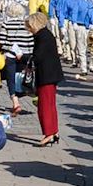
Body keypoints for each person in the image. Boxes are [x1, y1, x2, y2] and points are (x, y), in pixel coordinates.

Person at [26, 11, 64, 147]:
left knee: (44, 106)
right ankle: (54, 131)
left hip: (46, 75)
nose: (29, 30)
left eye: (30, 27)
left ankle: (48, 133)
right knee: (50, 104)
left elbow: (38, 56)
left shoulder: (42, 37)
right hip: (51, 74)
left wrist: (25, 59)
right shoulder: (46, 35)